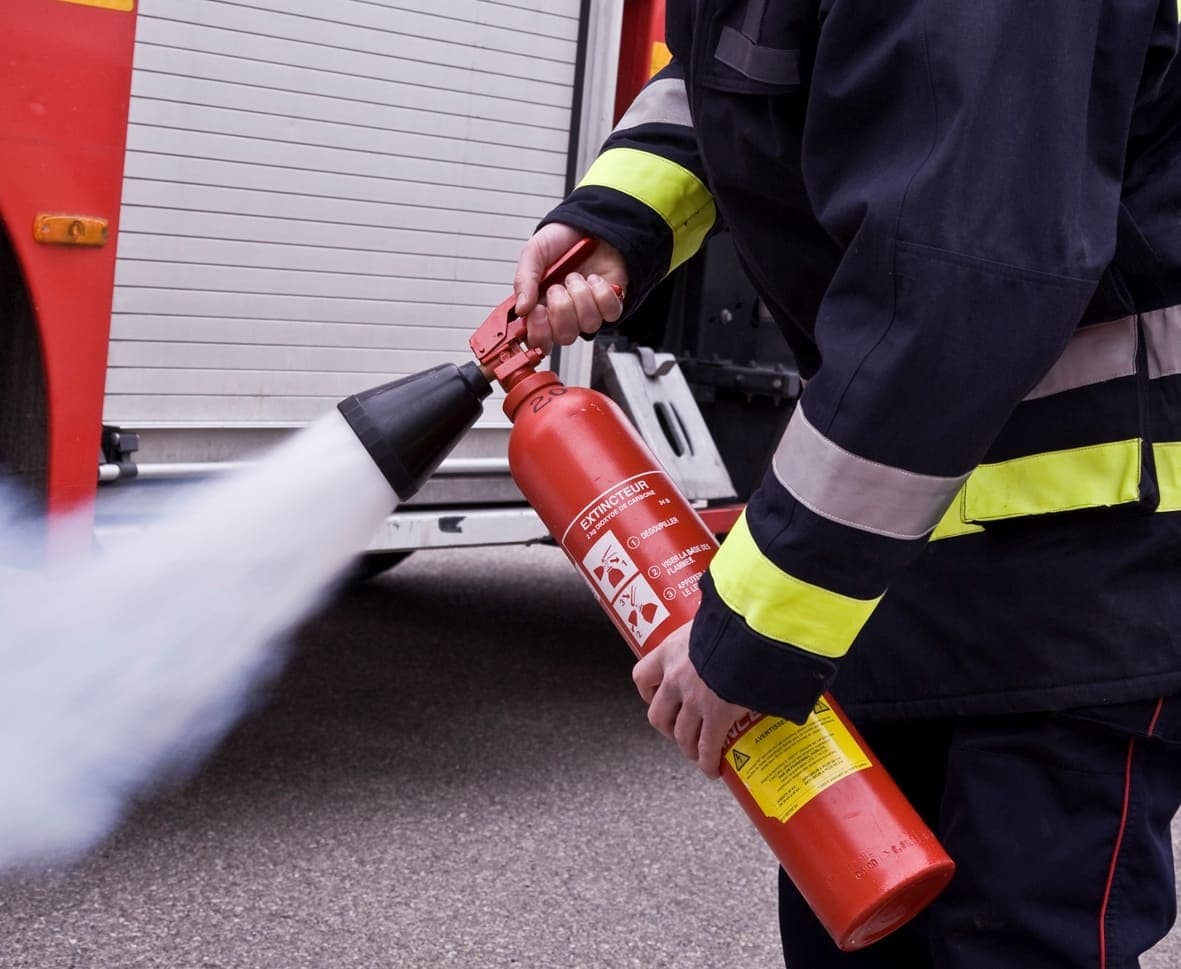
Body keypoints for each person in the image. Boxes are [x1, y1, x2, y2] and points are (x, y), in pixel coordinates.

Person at [511, 2, 1181, 967]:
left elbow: (966, 278)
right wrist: (617, 215)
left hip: (1084, 563)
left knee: (1007, 940)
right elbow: (730, 61)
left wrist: (754, 622)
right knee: (855, 924)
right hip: (893, 549)